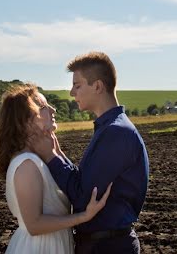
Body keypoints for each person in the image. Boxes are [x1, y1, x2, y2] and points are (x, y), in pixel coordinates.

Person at [33, 52, 150, 254]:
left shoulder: (116, 132)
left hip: (107, 247)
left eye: (77, 85)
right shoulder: (111, 128)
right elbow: (86, 182)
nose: (71, 93)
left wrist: (51, 157)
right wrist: (59, 155)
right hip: (103, 243)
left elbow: (83, 197)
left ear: (97, 86)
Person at [0, 83, 112, 254]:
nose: (53, 109)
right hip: (39, 248)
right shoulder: (27, 164)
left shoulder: (40, 157)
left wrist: (57, 153)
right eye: (43, 107)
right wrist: (83, 217)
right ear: (25, 120)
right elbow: (34, 225)